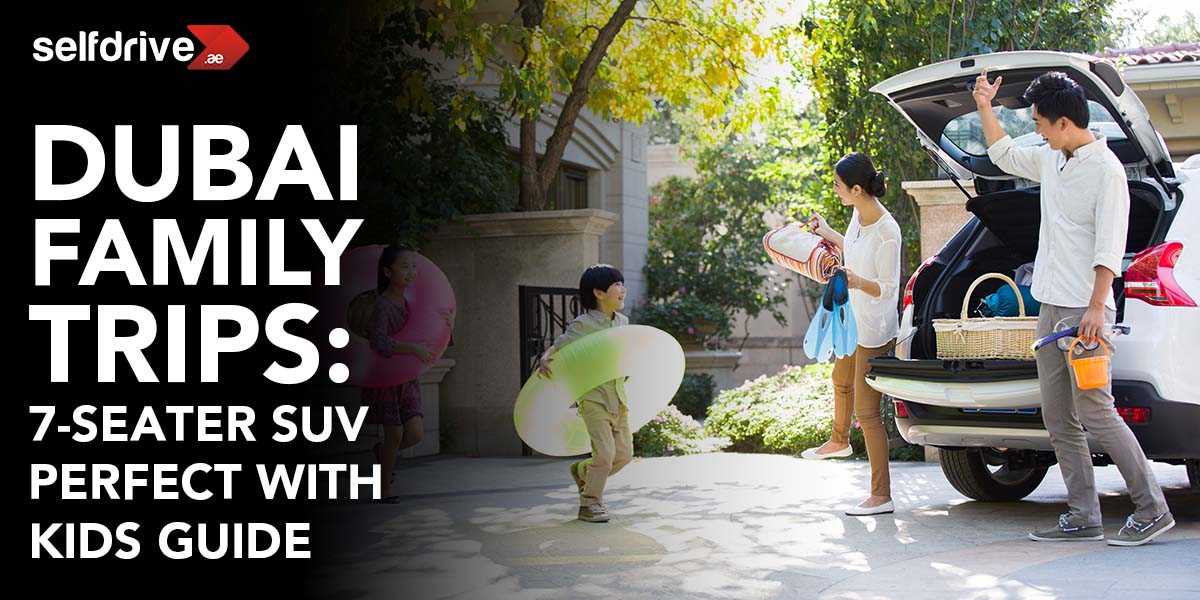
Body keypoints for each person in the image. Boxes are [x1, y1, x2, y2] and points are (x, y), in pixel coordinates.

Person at [974, 69, 1173, 546]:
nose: (1037, 130)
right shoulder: (1052, 159)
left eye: (1041, 122)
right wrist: (984, 106)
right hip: (1048, 305)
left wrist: (1096, 309)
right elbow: (1003, 155)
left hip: (1085, 311)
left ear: (1064, 123)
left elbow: (1109, 247)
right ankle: (1083, 514)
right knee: (1058, 416)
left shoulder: (1106, 173)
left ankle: (1152, 507)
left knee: (1096, 409)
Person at [802, 152, 903, 516]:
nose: (836, 189)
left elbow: (889, 288)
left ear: (857, 189)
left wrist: (855, 280)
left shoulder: (887, 231)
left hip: (874, 330)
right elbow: (850, 246)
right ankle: (839, 440)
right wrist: (826, 231)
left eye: (838, 186)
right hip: (853, 319)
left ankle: (881, 495)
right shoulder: (858, 216)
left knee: (867, 411)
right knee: (838, 379)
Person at [535, 264, 631, 523]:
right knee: (605, 455)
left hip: (618, 397)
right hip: (593, 397)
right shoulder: (583, 324)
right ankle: (590, 504)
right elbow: (560, 345)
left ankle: (582, 471)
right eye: (617, 285)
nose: (623, 289)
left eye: (622, 284)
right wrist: (546, 357)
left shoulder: (623, 322)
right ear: (599, 293)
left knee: (623, 456)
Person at [358, 245, 436, 503]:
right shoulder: (382, 305)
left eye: (413, 266)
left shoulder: (411, 304)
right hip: (386, 379)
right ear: (387, 272)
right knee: (395, 434)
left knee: (415, 433)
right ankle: (384, 490)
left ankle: (383, 455)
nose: (411, 272)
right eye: (404, 266)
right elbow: (378, 341)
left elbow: (425, 329)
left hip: (408, 379)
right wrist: (410, 348)